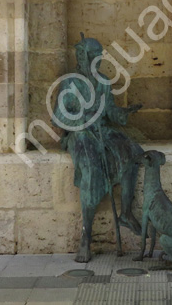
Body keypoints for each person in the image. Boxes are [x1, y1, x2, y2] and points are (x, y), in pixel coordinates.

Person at [53, 34, 143, 262]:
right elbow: (59, 116)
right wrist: (84, 121)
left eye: (99, 57)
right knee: (91, 170)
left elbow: (110, 112)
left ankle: (127, 212)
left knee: (132, 151)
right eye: (93, 56)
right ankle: (86, 236)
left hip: (103, 132)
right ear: (82, 57)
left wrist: (123, 113)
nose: (98, 61)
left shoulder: (103, 82)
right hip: (80, 135)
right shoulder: (69, 83)